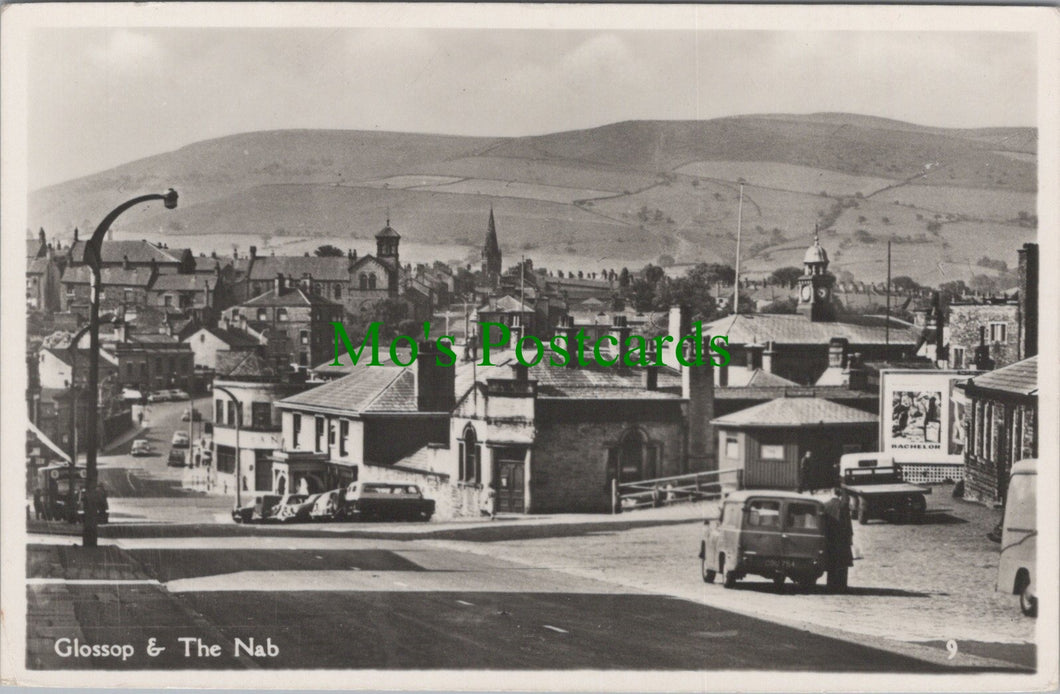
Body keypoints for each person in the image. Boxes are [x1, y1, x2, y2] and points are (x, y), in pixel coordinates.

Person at [823, 487, 854, 592]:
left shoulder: (825, 505)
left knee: (831, 562)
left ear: (832, 493)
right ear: (840, 495)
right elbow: (848, 524)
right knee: (842, 563)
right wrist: (850, 537)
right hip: (842, 539)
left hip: (830, 538)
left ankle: (830, 585)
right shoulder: (843, 506)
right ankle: (841, 586)